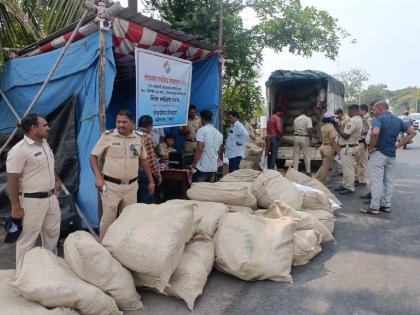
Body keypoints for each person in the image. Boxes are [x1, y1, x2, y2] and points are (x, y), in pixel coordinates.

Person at [90, 109, 154, 239]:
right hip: (111, 186)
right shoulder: (107, 136)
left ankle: (124, 244)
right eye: (118, 122)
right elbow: (92, 157)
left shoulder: (138, 137)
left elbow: (143, 160)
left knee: (129, 217)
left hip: (131, 186)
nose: (120, 125)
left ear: (131, 123)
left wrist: (151, 181)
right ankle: (105, 245)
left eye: (124, 122)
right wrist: (98, 177)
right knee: (108, 219)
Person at [6, 113, 61, 265]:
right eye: (45, 125)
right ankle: (23, 277)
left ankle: (51, 269)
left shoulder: (44, 143)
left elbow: (47, 166)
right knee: (27, 240)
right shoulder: (19, 151)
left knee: (52, 236)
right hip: (31, 202)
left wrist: (56, 180)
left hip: (51, 199)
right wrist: (16, 207)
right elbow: (12, 180)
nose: (48, 128)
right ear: (33, 128)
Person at [360, 101, 416, 214]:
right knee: (389, 181)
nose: (372, 111)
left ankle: (374, 207)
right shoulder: (398, 120)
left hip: (379, 153)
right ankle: (386, 205)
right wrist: (398, 145)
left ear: (380, 109)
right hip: (391, 155)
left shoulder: (379, 119)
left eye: (374, 109)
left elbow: (375, 133)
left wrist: (371, 147)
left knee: (376, 181)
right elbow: (412, 132)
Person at [334, 104, 363, 195]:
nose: (348, 113)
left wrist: (337, 127)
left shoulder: (353, 121)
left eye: (349, 111)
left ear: (351, 111)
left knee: (348, 169)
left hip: (348, 147)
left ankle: (349, 187)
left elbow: (345, 135)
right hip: (351, 146)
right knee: (347, 168)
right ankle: (345, 184)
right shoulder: (358, 120)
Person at [191, 110, 223, 182]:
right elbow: (218, 151)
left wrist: (193, 164)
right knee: (208, 190)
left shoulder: (201, 131)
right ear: (211, 119)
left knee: (197, 190)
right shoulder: (219, 134)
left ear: (202, 119)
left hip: (202, 167)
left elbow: (199, 149)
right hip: (213, 167)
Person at [137, 115, 163, 204]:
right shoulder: (147, 137)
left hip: (133, 172)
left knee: (137, 197)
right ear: (149, 126)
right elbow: (151, 159)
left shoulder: (133, 135)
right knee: (146, 197)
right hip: (144, 172)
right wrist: (157, 174)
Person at [314, 112, 340, 186]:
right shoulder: (331, 127)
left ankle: (316, 178)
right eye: (333, 117)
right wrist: (338, 151)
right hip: (329, 148)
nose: (334, 118)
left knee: (324, 165)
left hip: (323, 147)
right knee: (326, 167)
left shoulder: (323, 127)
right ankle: (322, 182)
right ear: (330, 118)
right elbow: (333, 142)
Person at [355, 104, 373, 185]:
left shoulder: (369, 119)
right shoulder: (361, 118)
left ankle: (363, 179)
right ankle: (359, 178)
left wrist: (364, 133)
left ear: (364, 110)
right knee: (358, 161)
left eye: (359, 110)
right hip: (359, 142)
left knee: (363, 162)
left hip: (363, 142)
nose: (358, 112)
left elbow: (371, 130)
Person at [293, 109, 313, 175]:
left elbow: (293, 128)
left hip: (296, 137)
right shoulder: (308, 119)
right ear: (306, 113)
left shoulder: (295, 119)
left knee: (296, 155)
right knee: (306, 155)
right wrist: (310, 139)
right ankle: (308, 171)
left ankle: (295, 171)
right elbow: (309, 130)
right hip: (304, 137)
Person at [333, 108, 350, 176]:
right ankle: (340, 171)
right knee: (338, 155)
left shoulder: (347, 119)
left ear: (340, 113)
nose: (335, 116)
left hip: (344, 140)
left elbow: (347, 132)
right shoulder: (339, 119)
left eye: (336, 114)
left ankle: (344, 171)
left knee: (344, 156)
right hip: (339, 140)